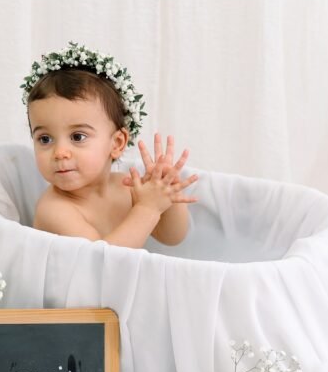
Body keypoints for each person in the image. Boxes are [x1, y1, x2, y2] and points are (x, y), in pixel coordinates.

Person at [20, 42, 199, 249]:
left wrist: (166, 195)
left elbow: (172, 237)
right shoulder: (54, 209)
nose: (60, 153)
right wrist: (147, 209)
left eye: (77, 137)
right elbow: (103, 265)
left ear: (117, 143)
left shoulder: (125, 187)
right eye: (45, 139)